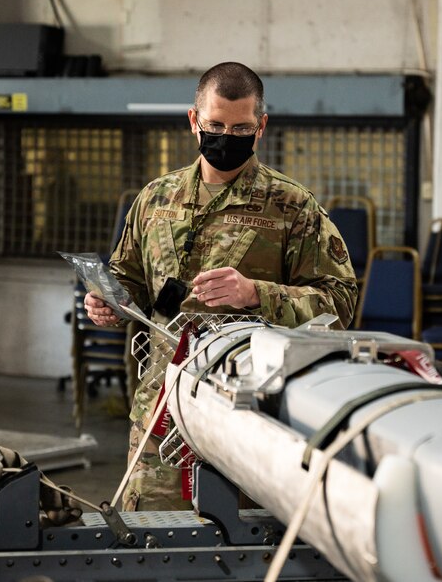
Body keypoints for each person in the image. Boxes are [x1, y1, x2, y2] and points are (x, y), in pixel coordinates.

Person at [84, 62, 358, 511]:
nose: (226, 137)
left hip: (249, 418)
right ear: (194, 121)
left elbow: (340, 303)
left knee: (240, 547)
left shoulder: (291, 206)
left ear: (261, 127)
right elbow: (128, 277)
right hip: (163, 411)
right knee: (151, 542)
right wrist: (109, 302)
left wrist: (257, 294)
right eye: (214, 125)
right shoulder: (156, 198)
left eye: (241, 128)